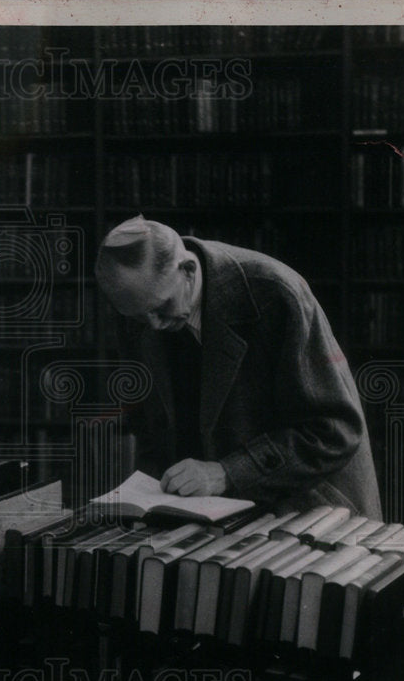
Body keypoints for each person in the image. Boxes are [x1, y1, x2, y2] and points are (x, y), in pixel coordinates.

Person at [96, 215, 382, 520]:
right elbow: (150, 427)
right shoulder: (139, 305)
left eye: (162, 307)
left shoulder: (275, 293)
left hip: (312, 510)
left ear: (188, 270)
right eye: (140, 318)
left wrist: (225, 473)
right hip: (211, 515)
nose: (154, 325)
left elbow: (336, 432)